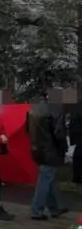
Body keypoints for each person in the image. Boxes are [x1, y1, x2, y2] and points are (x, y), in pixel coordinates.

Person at [27, 91, 69, 220]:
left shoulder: (35, 108)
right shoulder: (56, 110)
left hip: (37, 148)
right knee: (44, 181)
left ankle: (53, 208)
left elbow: (27, 128)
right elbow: (59, 133)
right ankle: (36, 210)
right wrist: (64, 148)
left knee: (47, 179)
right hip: (50, 149)